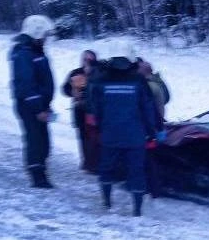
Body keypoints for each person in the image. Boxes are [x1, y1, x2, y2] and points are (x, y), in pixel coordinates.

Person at [87, 56, 157, 217]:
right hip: (135, 135)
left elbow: (95, 107)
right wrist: (151, 132)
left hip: (110, 133)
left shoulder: (101, 80)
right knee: (136, 170)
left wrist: (100, 125)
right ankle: (137, 209)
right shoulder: (138, 80)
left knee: (106, 167)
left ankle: (107, 201)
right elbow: (147, 108)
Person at [10, 14, 56, 189]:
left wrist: (46, 104)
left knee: (43, 139)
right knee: (35, 139)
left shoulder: (35, 51)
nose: (46, 39)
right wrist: (38, 108)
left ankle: (40, 167)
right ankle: (37, 175)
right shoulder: (23, 54)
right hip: (29, 105)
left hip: (40, 104)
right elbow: (27, 84)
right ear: (35, 33)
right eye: (44, 35)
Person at [136, 58, 170, 197]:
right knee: (151, 158)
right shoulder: (157, 83)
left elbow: (146, 109)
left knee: (146, 159)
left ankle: (149, 188)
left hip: (149, 127)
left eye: (138, 69)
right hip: (157, 125)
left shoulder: (148, 87)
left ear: (144, 71)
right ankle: (154, 188)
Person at [62, 50, 99, 173]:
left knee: (95, 136)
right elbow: (65, 88)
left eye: (90, 60)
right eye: (85, 59)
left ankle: (95, 162)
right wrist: (71, 92)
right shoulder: (75, 73)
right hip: (79, 110)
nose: (87, 62)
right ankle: (87, 162)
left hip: (94, 110)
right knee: (83, 136)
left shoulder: (99, 73)